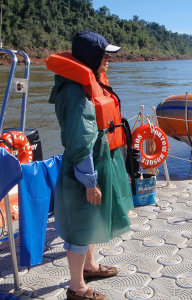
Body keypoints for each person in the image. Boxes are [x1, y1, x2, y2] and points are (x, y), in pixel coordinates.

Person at [46, 31, 134, 300]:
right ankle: (76, 287)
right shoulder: (75, 92)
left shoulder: (89, 81)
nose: (108, 58)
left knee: (92, 217)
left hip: (99, 160)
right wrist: (90, 181)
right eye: (104, 53)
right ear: (90, 56)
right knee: (81, 225)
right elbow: (79, 140)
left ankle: (90, 266)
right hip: (85, 168)